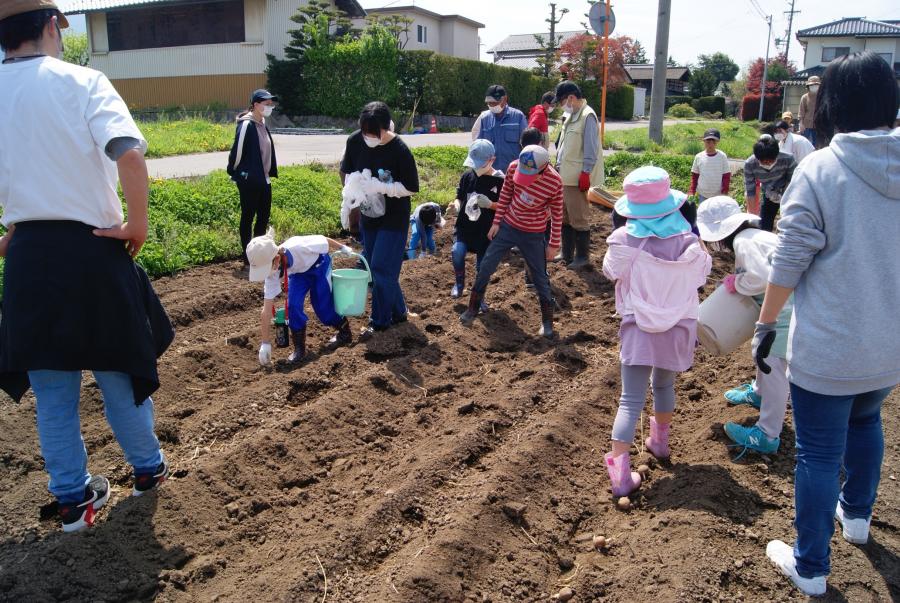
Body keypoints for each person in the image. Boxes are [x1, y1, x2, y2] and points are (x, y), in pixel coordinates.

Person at [0, 1, 174, 532]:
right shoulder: (83, 81)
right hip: (94, 250)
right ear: (52, 26)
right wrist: (137, 225)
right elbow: (128, 155)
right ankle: (147, 471)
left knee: (53, 395)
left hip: (30, 258)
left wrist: (14, 229)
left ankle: (73, 504)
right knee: (118, 375)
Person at [753, 51, 899, 597]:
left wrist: (766, 324)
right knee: (867, 422)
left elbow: (789, 259)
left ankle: (812, 567)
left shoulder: (821, 169)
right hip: (889, 343)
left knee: (817, 453)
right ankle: (856, 518)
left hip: (832, 346)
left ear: (834, 104)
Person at [601, 166, 711, 499]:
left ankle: (621, 477)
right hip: (678, 324)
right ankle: (659, 444)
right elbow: (701, 278)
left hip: (639, 324)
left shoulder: (624, 239)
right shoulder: (689, 240)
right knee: (663, 383)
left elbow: (609, 272)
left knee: (630, 398)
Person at [696, 197, 793, 458]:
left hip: (784, 312)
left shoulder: (744, 243)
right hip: (783, 307)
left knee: (771, 364)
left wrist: (736, 282)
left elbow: (761, 278)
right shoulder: (755, 236)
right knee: (760, 351)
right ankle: (759, 394)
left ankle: (767, 433)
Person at [459, 145, 563, 337]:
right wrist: (497, 222)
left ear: (542, 169)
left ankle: (547, 322)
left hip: (533, 233)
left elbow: (557, 215)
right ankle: (473, 307)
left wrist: (553, 244)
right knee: (487, 265)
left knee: (539, 276)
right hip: (508, 226)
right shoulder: (514, 167)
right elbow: (506, 194)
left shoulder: (555, 182)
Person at [339, 102, 419, 340]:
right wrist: (350, 193)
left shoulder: (399, 150)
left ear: (386, 128)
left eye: (373, 133)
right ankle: (398, 312)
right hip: (369, 214)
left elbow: (411, 187)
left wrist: (382, 187)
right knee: (376, 265)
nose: (368, 138)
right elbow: (346, 171)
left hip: (394, 217)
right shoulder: (355, 142)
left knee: (382, 269)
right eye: (365, 132)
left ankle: (380, 322)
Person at [247, 230, 353, 365]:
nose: (267, 274)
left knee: (322, 307)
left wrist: (342, 247)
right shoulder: (273, 271)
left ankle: (345, 332)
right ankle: (299, 349)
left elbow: (324, 240)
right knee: (293, 305)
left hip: (319, 267)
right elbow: (266, 310)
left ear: (277, 259)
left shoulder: (298, 246)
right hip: (299, 275)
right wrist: (265, 343)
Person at [553, 81, 604, 268]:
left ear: (572, 98)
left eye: (562, 101)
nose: (561, 106)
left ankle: (582, 257)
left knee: (579, 218)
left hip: (576, 178)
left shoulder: (587, 115)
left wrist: (586, 172)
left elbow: (591, 148)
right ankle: (566, 253)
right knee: (564, 217)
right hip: (563, 176)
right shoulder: (571, 115)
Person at [228, 89, 278, 264]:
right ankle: (248, 254)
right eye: (266, 103)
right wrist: (235, 171)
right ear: (256, 105)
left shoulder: (262, 123)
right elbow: (237, 152)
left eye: (270, 104)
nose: (269, 106)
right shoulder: (246, 125)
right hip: (249, 179)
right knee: (248, 216)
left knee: (263, 216)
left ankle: (258, 251)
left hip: (264, 179)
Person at [449, 140, 504, 300]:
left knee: (482, 266)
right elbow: (459, 198)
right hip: (465, 226)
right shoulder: (468, 176)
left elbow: (506, 207)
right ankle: (459, 285)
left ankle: (479, 297)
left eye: (480, 164)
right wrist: (456, 206)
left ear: (491, 160)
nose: (476, 168)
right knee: (457, 252)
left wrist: (490, 204)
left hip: (486, 230)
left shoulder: (501, 181)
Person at [743, 134, 796, 232]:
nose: (768, 164)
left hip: (788, 192)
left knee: (790, 224)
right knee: (764, 225)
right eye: (764, 162)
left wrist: (783, 196)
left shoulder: (788, 160)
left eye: (770, 161)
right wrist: (751, 215)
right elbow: (751, 190)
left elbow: (792, 181)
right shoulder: (750, 164)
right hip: (769, 194)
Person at [473, 84, 528, 173]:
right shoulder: (485, 118)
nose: (491, 105)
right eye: (489, 103)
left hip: (513, 172)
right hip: (491, 172)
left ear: (505, 99)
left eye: (495, 102)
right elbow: (479, 145)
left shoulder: (518, 117)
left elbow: (526, 146)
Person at [688, 128, 732, 202]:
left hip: (718, 195)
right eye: (708, 142)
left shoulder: (722, 156)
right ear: (704, 141)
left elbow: (726, 176)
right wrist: (691, 191)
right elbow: (695, 176)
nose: (711, 144)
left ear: (717, 142)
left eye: (713, 142)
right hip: (703, 194)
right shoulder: (699, 156)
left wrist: (724, 192)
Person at [797, 75, 820, 146]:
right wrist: (801, 124)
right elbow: (801, 111)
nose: (814, 86)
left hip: (818, 125)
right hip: (806, 125)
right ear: (808, 86)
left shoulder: (822, 97)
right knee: (804, 143)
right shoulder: (804, 97)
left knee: (816, 144)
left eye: (816, 85)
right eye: (812, 85)